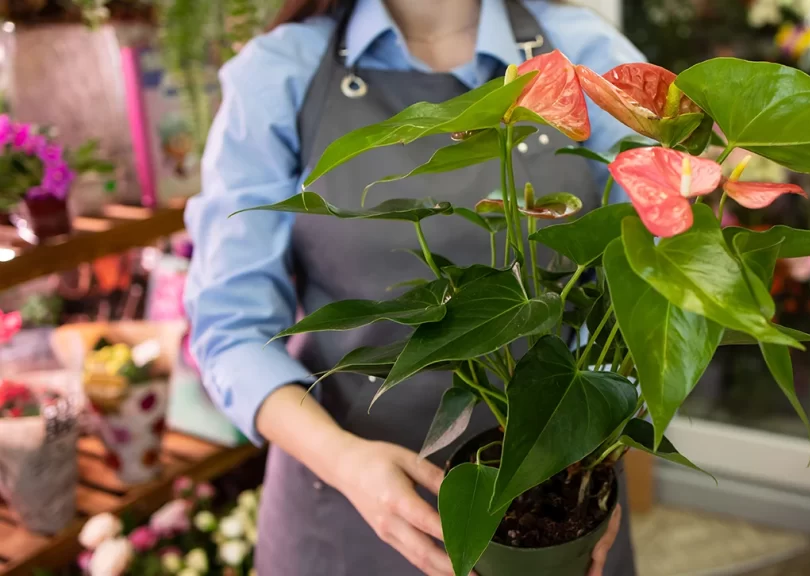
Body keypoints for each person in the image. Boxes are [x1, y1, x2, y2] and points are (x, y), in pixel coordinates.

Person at [185, 0, 645, 574]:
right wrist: (343, 460)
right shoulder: (282, 70)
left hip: (563, 497)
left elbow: (651, 289)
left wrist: (595, 461)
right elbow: (230, 329)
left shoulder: (588, 56)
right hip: (346, 493)